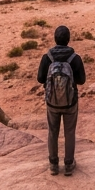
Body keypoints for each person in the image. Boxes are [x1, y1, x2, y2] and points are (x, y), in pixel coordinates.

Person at [37, 25, 86, 176]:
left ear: (55, 39)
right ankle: (69, 165)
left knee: (53, 132)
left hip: (52, 102)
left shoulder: (47, 57)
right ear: (68, 40)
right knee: (69, 132)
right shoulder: (75, 58)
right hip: (71, 102)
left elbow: (40, 79)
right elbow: (82, 80)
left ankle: (53, 165)